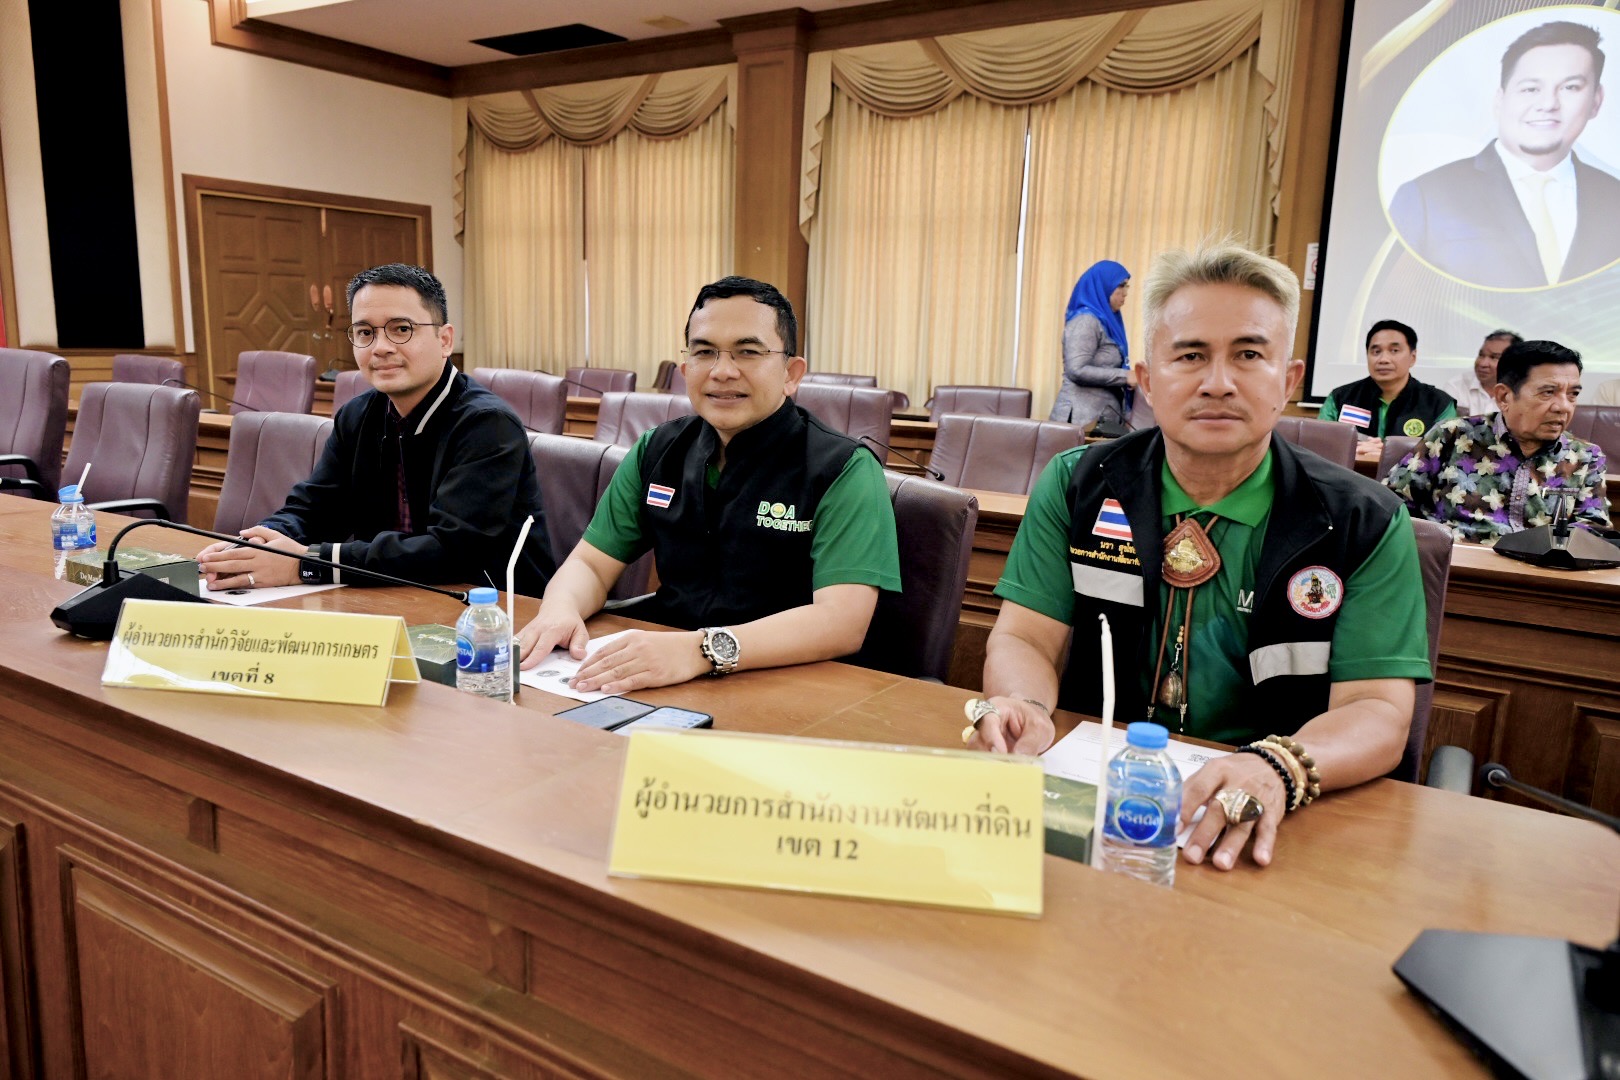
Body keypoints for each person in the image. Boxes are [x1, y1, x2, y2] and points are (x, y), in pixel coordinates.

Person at [967, 241, 1431, 873]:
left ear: (1288, 380)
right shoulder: (1080, 484)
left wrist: (1277, 765)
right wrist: (1024, 705)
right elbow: (1025, 637)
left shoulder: (1362, 519)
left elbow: (1377, 709)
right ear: (1147, 380)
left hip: (1273, 818)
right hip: (1100, 796)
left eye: (1248, 355)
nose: (1218, 383)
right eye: (1190, 356)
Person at [516, 276, 900, 694]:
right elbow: (591, 563)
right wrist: (559, 608)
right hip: (668, 670)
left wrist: (700, 651)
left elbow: (841, 621)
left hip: (793, 682)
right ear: (686, 370)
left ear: (791, 374)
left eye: (748, 352)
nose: (722, 371)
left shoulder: (842, 468)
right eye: (704, 352)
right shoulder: (656, 450)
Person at [197, 263, 556, 594]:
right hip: (389, 594)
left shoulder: (487, 424)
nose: (381, 347)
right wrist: (259, 544)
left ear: (445, 340)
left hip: (492, 609)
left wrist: (306, 564)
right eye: (365, 332)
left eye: (401, 329)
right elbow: (314, 507)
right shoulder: (357, 415)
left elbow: (451, 550)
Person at [1389, 21, 1620, 289]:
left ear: (1596, 101)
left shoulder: (1614, 198)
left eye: (1570, 87)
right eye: (1531, 89)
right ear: (1499, 100)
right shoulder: (1426, 197)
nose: (1548, 104)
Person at [1384, 339, 1609, 543]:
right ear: (1504, 396)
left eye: (1572, 394)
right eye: (1548, 392)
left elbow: (1594, 531)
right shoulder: (1453, 436)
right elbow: (1391, 504)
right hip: (1454, 567)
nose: (1564, 406)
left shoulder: (1585, 457)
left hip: (1539, 572)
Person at [1317, 319, 1456, 456]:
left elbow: (1445, 457)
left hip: (1406, 472)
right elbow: (1319, 445)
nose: (1383, 359)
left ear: (1412, 357)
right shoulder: (1340, 398)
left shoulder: (1438, 404)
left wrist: (1388, 454)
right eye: (1376, 352)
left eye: (1394, 350)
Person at [1049, 260, 1133, 430]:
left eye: (1127, 286)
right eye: (1120, 286)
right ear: (1103, 286)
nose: (1125, 293)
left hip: (1099, 421)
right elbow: (1076, 370)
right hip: (1079, 422)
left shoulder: (1108, 321)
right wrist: (1125, 376)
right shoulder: (1085, 321)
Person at [1441, 329, 1523, 417]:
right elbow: (1447, 423)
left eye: (1494, 357)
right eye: (1481, 355)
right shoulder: (1456, 386)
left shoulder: (1524, 390)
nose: (1482, 363)